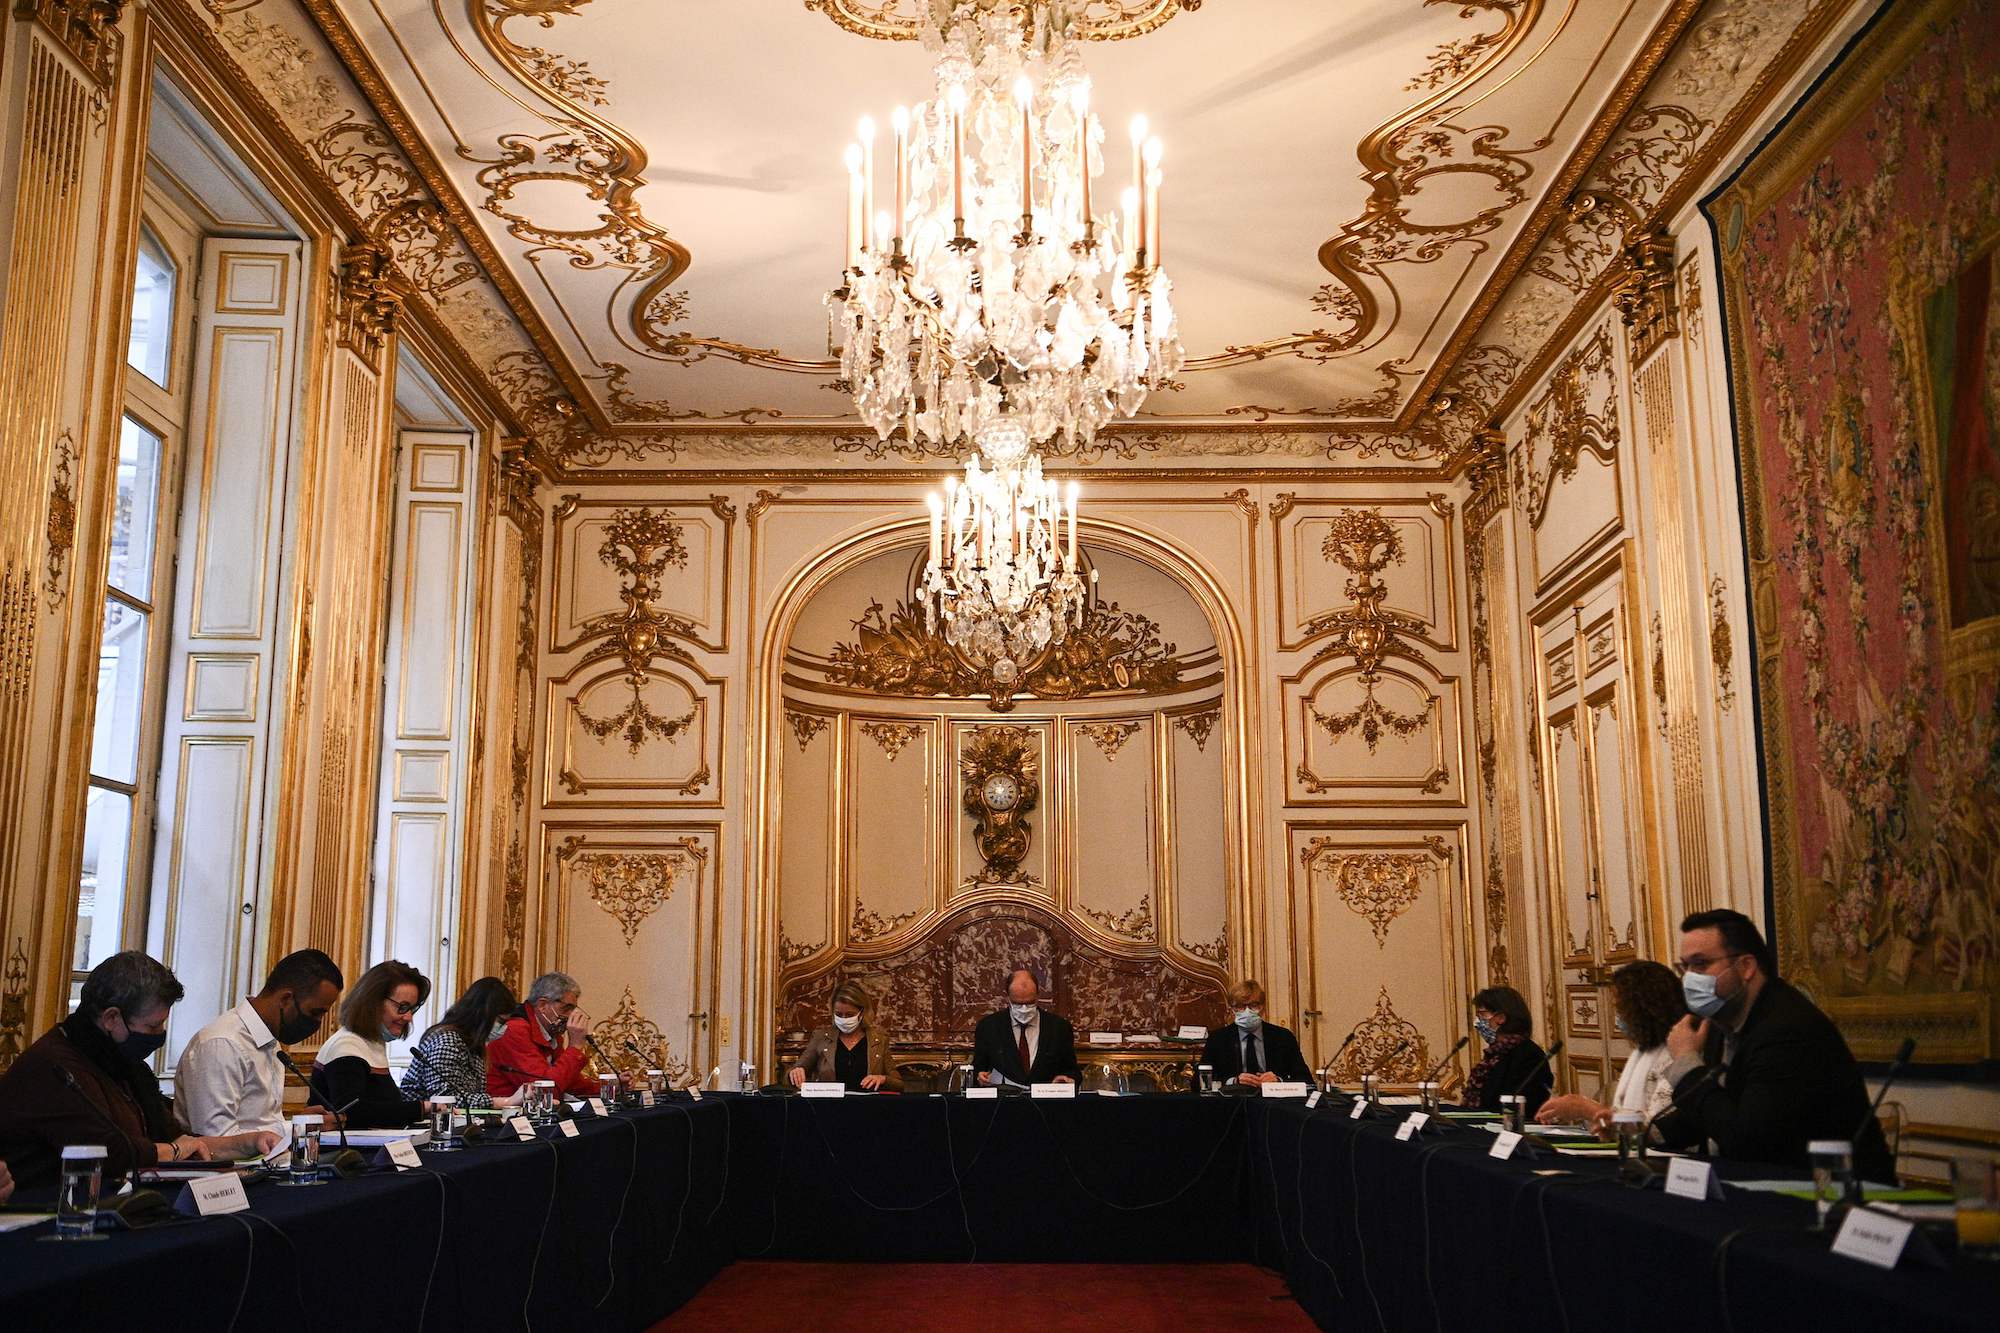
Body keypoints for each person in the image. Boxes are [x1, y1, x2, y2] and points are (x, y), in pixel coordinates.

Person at [0, 952, 280, 1190]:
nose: (160, 1035)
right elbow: (110, 1152)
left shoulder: (125, 1064)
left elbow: (178, 1141)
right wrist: (175, 1150)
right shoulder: (53, 1067)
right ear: (111, 1018)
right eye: (152, 1027)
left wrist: (250, 1142)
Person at [1655, 909, 1893, 1180]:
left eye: (1700, 964)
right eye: (1683, 967)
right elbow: (1716, 1111)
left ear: (1746, 967)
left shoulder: (1786, 1029)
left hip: (1833, 1198)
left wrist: (1687, 1065)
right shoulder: (1721, 1022)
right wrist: (1644, 1132)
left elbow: (1748, 1139)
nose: (1688, 979)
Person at [175, 947, 343, 1138]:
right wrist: (296, 1128)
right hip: (231, 1168)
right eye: (315, 1013)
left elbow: (261, 1123)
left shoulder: (270, 1042)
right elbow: (216, 1139)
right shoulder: (222, 1043)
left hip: (266, 1163)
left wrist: (299, 1124)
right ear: (286, 999)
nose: (319, 1023)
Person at [1535, 960, 1683, 1135]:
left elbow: (1658, 1129)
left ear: (1643, 1007)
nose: (1618, 1017)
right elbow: (1621, 1115)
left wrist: (1586, 1109)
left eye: (1621, 1009)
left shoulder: (1676, 1051)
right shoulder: (1642, 1051)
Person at [309, 960, 433, 1129]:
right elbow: (355, 1113)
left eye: (412, 1009)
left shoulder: (370, 1043)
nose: (409, 1017)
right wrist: (423, 1108)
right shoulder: (346, 1046)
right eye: (402, 1007)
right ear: (372, 1003)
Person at [402, 976, 526, 1109]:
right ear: (483, 1015)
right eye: (501, 1021)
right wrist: (507, 1102)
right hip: (417, 1124)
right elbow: (445, 1100)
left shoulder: (472, 1044)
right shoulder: (447, 1041)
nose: (504, 1028)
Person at [487, 970, 600, 1099]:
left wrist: (612, 1086)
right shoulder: (514, 1031)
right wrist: (575, 1046)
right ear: (542, 1005)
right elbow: (545, 1091)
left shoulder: (551, 1033)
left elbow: (569, 1083)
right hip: (505, 1113)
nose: (570, 1016)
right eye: (566, 1008)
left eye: (573, 1009)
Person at [971, 968, 1080, 1087]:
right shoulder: (988, 1027)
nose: (1024, 1009)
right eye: (1017, 1003)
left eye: (1030, 1003)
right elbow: (978, 1069)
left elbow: (1073, 1072)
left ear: (1038, 996)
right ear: (1008, 997)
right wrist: (980, 1077)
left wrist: (1068, 1080)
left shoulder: (1059, 1028)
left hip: (1046, 1102)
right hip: (1004, 1101)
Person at [787, 981, 903, 1092]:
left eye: (849, 1015)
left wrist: (883, 1079)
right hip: (828, 1106)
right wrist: (795, 1072)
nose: (844, 1019)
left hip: (867, 1106)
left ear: (861, 1012)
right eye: (838, 1014)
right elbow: (791, 1072)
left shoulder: (878, 1040)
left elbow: (899, 1084)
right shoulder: (821, 1037)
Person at [1199, 979, 1313, 1087]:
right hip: (1232, 1102)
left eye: (1254, 1005)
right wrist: (1234, 1081)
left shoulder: (1283, 1037)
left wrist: (1279, 1080)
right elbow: (1198, 1082)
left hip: (1274, 1103)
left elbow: (1306, 1080)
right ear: (1232, 1009)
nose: (1247, 1011)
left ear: (1263, 1007)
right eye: (1240, 1006)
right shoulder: (1218, 1039)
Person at [1462, 985, 1552, 1116]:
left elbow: (1524, 1103)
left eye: (1482, 1014)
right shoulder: (1495, 1054)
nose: (1477, 1022)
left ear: (1501, 1018)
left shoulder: (1529, 1055)